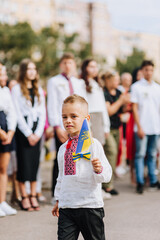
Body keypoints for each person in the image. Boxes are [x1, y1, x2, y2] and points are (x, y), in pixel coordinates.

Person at [52, 94, 112, 240]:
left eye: (74, 116)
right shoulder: (62, 149)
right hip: (67, 207)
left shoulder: (94, 145)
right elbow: (61, 177)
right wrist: (59, 199)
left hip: (89, 206)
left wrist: (99, 170)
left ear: (87, 118)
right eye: (64, 117)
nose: (68, 121)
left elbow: (107, 175)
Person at [47, 53, 87, 204]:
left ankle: (76, 191)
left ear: (74, 64)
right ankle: (56, 193)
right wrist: (57, 126)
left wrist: (84, 126)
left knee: (78, 157)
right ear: (61, 65)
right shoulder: (54, 81)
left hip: (78, 125)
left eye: (70, 62)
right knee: (61, 158)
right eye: (64, 62)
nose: (67, 65)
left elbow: (83, 104)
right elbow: (52, 104)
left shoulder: (79, 82)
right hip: (63, 125)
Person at [12, 59, 46, 210]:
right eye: (29, 69)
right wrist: (28, 133)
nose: (32, 71)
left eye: (34, 69)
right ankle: (23, 196)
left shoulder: (39, 89)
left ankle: (33, 195)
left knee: (34, 164)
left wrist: (38, 133)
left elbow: (43, 112)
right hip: (23, 130)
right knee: (23, 164)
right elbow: (17, 113)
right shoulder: (17, 89)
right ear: (23, 71)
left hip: (36, 129)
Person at [131, 60, 160, 194]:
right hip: (142, 127)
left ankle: (153, 180)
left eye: (151, 70)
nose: (148, 72)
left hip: (155, 127)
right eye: (146, 70)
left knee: (152, 155)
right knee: (140, 155)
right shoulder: (136, 87)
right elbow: (135, 108)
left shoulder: (157, 88)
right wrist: (139, 127)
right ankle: (140, 182)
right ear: (142, 71)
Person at [101, 71, 130, 195]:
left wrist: (126, 105)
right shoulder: (105, 94)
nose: (118, 82)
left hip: (117, 127)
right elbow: (110, 111)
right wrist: (121, 101)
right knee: (111, 152)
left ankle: (108, 181)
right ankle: (107, 184)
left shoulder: (118, 92)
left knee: (115, 154)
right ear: (108, 80)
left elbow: (121, 108)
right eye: (115, 79)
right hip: (107, 128)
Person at [0, 64, 17, 217]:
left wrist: (10, 131)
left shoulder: (5, 91)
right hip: (0, 130)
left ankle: (2, 201)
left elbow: (12, 112)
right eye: (1, 74)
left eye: (4, 73)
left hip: (6, 129)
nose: (4, 77)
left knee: (3, 168)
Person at [80, 59, 110, 146]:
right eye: (91, 67)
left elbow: (102, 107)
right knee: (92, 149)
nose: (94, 69)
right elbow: (83, 106)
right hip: (90, 118)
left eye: (96, 67)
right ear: (85, 68)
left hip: (99, 118)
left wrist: (106, 126)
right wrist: (88, 126)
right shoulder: (82, 83)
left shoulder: (97, 84)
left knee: (100, 148)